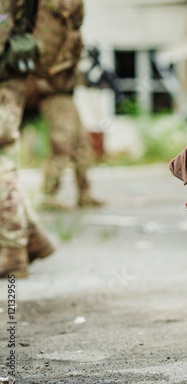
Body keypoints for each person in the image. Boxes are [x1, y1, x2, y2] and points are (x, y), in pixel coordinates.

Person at [24, 0, 103, 209]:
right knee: (63, 140)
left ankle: (84, 192)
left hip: (62, 88)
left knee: (79, 142)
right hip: (52, 90)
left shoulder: (63, 21)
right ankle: (49, 194)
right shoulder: (48, 17)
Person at [0, 0, 55, 278]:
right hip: (8, 73)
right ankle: (32, 238)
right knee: (4, 159)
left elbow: (2, 22)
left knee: (3, 165)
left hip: (4, 76)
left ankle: (12, 254)